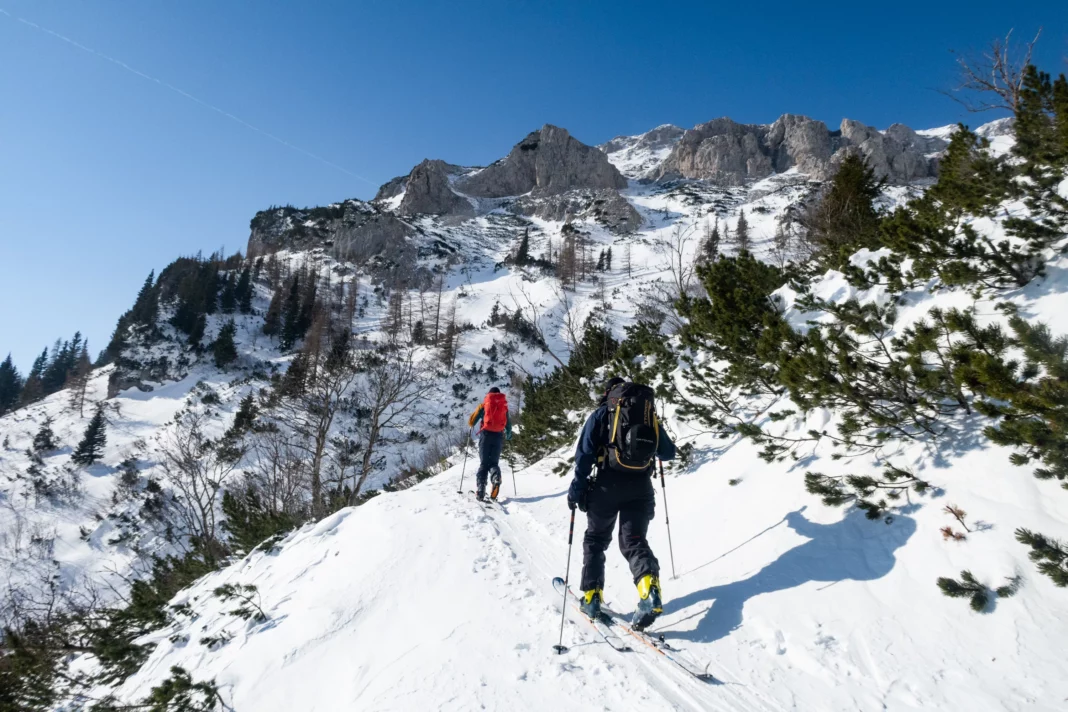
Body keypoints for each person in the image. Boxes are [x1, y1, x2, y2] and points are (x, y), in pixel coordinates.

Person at [567, 377, 675, 630]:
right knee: (634, 541)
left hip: (606, 486)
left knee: (595, 539)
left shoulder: (601, 415)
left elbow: (583, 456)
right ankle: (649, 590)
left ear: (609, 394)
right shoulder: (647, 416)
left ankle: (592, 598)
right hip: (640, 487)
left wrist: (576, 490)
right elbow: (668, 453)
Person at [468, 387, 513, 501]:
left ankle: (481, 489)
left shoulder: (484, 405)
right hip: (498, 436)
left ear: (489, 394)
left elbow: (472, 421)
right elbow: (508, 425)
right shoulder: (504, 406)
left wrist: (474, 419)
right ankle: (496, 478)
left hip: (486, 436)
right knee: (493, 463)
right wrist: (508, 435)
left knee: (484, 464)